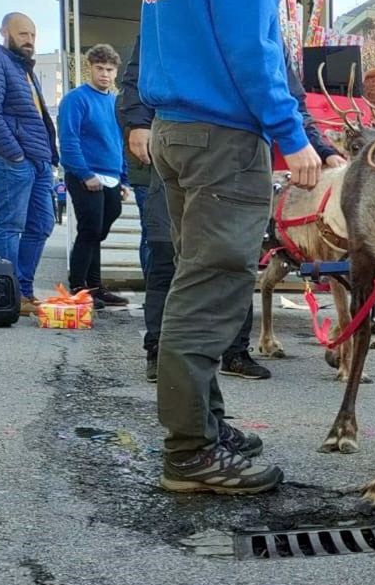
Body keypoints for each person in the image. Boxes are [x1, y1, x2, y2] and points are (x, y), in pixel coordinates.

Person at [139, 0, 320, 495]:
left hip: (179, 129)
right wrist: (291, 135)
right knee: (210, 295)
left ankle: (205, 429)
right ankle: (190, 455)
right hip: (220, 136)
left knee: (196, 285)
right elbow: (252, 45)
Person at [119, 36, 343, 383]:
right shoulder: (180, 5)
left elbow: (290, 96)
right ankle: (162, 353)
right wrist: (137, 122)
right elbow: (141, 70)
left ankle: (232, 354)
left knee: (237, 259)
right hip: (184, 143)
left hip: (239, 152)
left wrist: (323, 149)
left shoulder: (268, 35)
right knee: (169, 255)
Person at [0, 12, 58, 314]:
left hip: (39, 160)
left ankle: (23, 291)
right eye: (22, 34)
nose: (29, 40)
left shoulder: (24, 70)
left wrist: (49, 157)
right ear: (4, 32)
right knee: (10, 224)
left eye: (32, 35)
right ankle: (11, 295)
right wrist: (15, 154)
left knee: (42, 224)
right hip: (10, 158)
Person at [57, 44, 131, 307]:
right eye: (99, 68)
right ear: (91, 68)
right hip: (85, 175)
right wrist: (84, 173)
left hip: (112, 176)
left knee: (98, 232)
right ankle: (79, 288)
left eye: (109, 70)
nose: (104, 74)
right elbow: (68, 140)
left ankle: (95, 287)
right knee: (89, 230)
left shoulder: (115, 101)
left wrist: (124, 178)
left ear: (116, 71)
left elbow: (120, 141)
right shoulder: (76, 99)